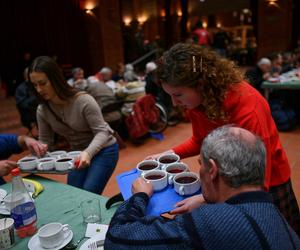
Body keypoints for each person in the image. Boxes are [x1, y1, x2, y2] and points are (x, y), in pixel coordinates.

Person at [146, 43, 300, 234]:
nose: (174, 103)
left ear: (200, 84)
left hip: (267, 183)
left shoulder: (248, 108)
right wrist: (169, 154)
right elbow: (199, 140)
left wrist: (206, 199)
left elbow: (259, 182)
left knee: (276, 236)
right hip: (227, 182)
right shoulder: (198, 102)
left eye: (178, 95)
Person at [105, 126, 300, 249]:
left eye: (201, 164)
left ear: (213, 170)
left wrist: (139, 197)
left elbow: (117, 239)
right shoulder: (276, 215)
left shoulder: (210, 222)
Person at [27, 56, 119, 194]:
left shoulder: (83, 100)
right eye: (35, 85)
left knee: (89, 192)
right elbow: (46, 141)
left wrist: (88, 153)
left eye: (43, 83)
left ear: (55, 79)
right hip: (76, 153)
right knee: (73, 193)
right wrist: (38, 150)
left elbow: (102, 132)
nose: (39, 90)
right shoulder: (43, 110)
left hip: (104, 150)